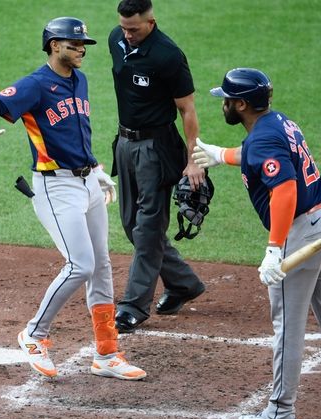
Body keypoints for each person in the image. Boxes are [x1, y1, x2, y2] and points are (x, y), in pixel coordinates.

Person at [194, 68, 321, 419]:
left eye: (226, 99)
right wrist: (221, 154)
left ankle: (280, 414)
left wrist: (273, 249)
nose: (222, 104)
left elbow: (284, 189)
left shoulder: (263, 139)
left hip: (302, 231)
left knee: (288, 326)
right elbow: (260, 153)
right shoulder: (276, 122)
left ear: (241, 104)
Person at [0, 17, 146, 381]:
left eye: (83, 44)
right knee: (79, 265)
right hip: (55, 187)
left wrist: (95, 168)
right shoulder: (36, 85)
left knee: (100, 265)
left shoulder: (79, 80)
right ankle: (34, 334)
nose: (81, 49)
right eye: (73, 44)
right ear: (53, 45)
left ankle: (107, 353)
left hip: (87, 184)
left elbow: (76, 131)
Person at [108, 0, 207, 333]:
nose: (127, 34)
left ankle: (133, 306)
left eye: (134, 28)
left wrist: (193, 160)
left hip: (156, 147)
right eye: (123, 27)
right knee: (130, 224)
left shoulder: (168, 55)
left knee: (148, 227)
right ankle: (184, 284)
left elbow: (188, 111)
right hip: (123, 143)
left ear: (151, 22)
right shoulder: (116, 40)